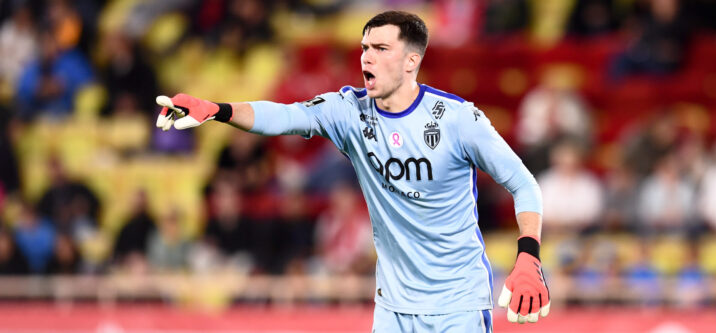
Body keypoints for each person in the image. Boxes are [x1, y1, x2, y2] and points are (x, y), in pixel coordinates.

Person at [155, 11, 548, 331]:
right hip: (392, 308)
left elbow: (523, 183)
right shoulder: (349, 112)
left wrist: (528, 255)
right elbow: (284, 116)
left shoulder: (459, 119)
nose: (366, 58)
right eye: (364, 48)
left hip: (456, 306)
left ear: (411, 61)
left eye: (380, 48)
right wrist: (217, 109)